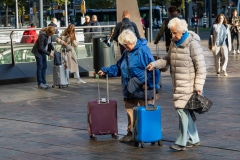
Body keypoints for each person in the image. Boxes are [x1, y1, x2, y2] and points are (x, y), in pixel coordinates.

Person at [147, 18, 206, 151]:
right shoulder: (174, 43)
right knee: (185, 111)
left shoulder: (192, 44)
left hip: (189, 86)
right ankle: (194, 138)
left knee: (181, 111)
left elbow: (201, 68)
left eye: (174, 33)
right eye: (171, 33)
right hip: (178, 84)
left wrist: (198, 87)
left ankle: (181, 142)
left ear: (182, 31)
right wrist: (154, 65)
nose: (172, 36)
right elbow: (167, 60)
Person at [98, 29, 160, 142]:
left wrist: (149, 85)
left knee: (145, 111)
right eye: (124, 45)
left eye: (126, 45)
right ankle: (131, 133)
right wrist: (105, 71)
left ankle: (147, 134)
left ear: (132, 41)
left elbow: (154, 69)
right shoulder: (126, 52)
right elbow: (118, 67)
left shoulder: (143, 50)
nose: (125, 47)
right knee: (129, 110)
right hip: (129, 87)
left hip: (142, 88)